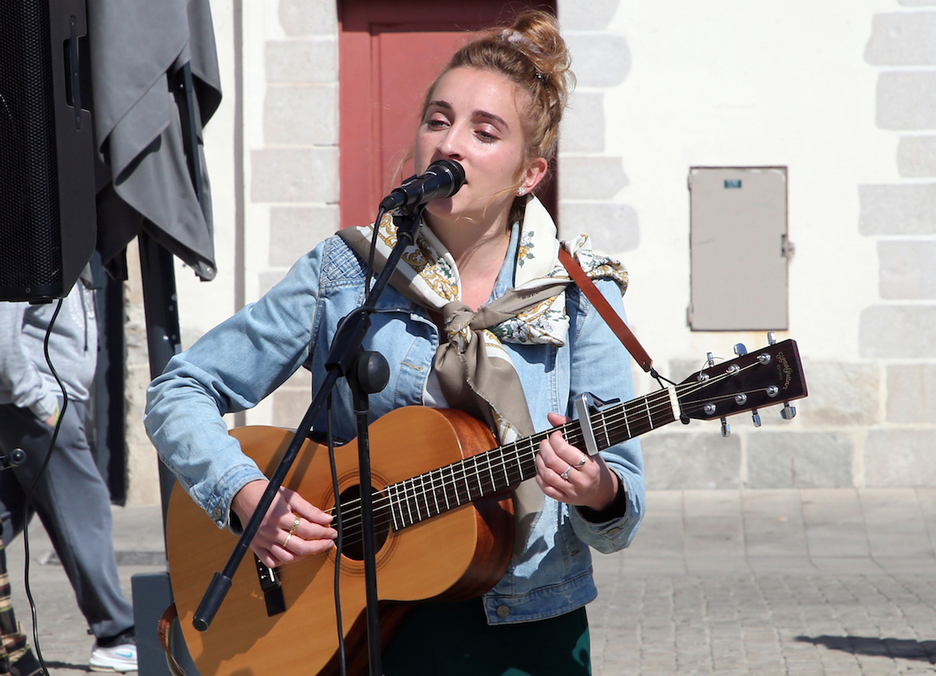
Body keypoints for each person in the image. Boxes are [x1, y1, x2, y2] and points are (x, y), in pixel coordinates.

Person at [145, 10, 645, 675]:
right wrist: (242, 492)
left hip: (530, 626)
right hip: (364, 622)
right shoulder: (348, 270)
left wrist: (597, 489)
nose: (450, 143)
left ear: (530, 174)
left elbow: (620, 511)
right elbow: (179, 390)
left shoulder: (580, 290)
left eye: (483, 131)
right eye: (437, 120)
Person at [0, 279, 138, 673]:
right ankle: (115, 633)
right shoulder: (29, 242)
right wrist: (40, 402)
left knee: (8, 510)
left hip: (46, 400)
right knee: (86, 511)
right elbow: (4, 335)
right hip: (37, 403)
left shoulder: (69, 248)